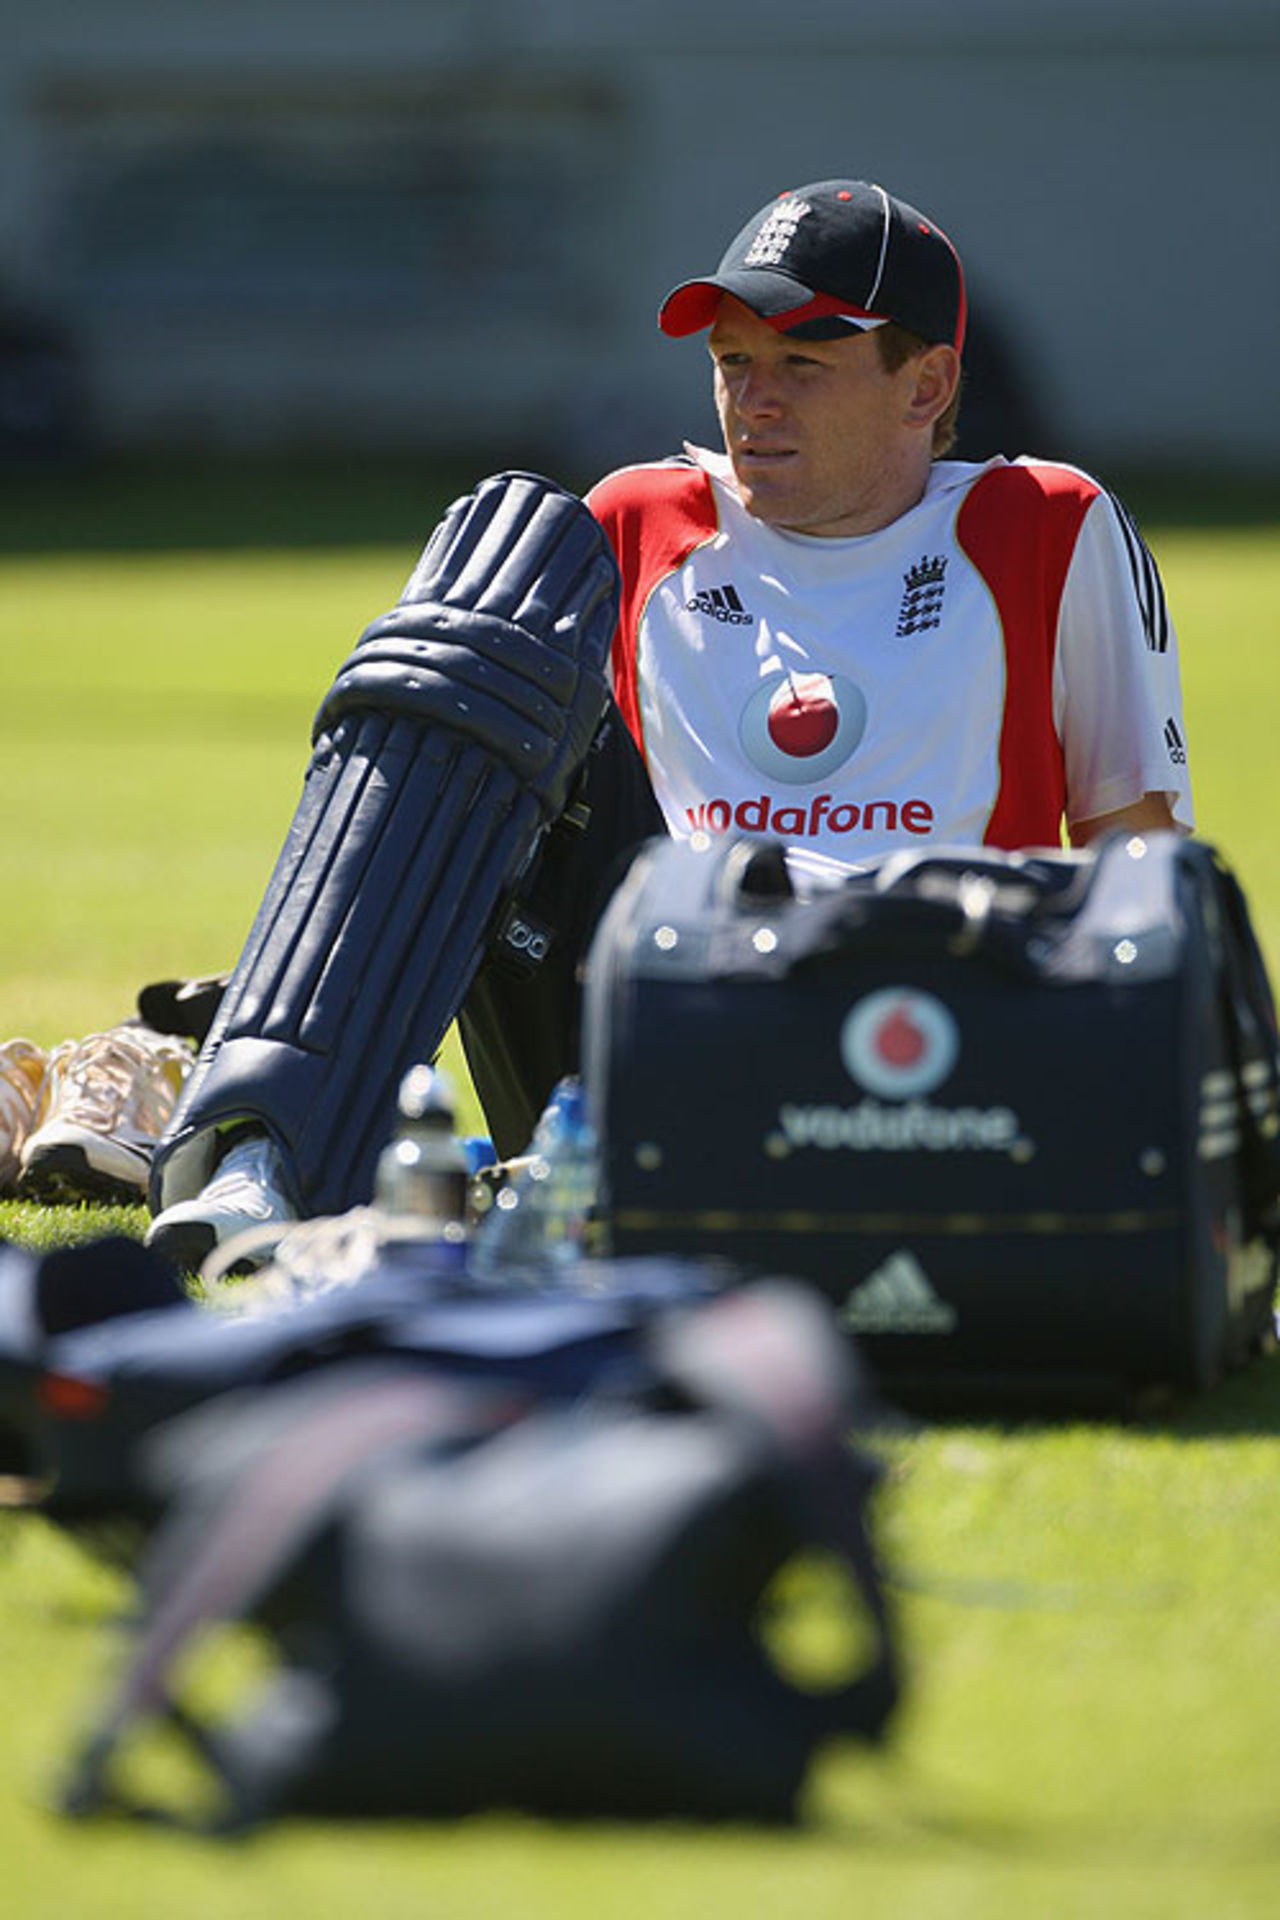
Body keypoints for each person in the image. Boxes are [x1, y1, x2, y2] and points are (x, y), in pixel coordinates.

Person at [142, 176, 1192, 1270]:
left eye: (802, 363)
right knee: (489, 603)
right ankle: (264, 1144)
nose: (754, 400)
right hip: (652, 1033)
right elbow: (465, 810)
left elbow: (1139, 861)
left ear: (925, 385)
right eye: (733, 362)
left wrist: (1139, 1139)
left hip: (933, 1039)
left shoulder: (1045, 526)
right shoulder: (632, 519)